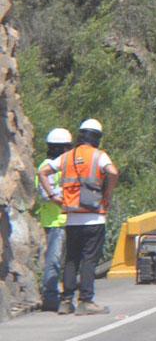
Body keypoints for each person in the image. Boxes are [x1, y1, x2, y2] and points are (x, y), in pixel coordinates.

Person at [39, 119, 118, 316]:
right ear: (97, 137)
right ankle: (86, 301)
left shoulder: (67, 156)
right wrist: (108, 194)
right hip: (94, 217)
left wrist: (52, 196)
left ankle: (66, 301)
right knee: (89, 259)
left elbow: (43, 172)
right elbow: (113, 172)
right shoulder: (99, 155)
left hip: (72, 217)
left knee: (71, 260)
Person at [36, 128, 73, 311]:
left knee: (64, 261)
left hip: (65, 221)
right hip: (55, 222)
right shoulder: (47, 167)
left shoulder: (59, 167)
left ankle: (61, 294)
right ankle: (50, 297)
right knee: (54, 260)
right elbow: (46, 195)